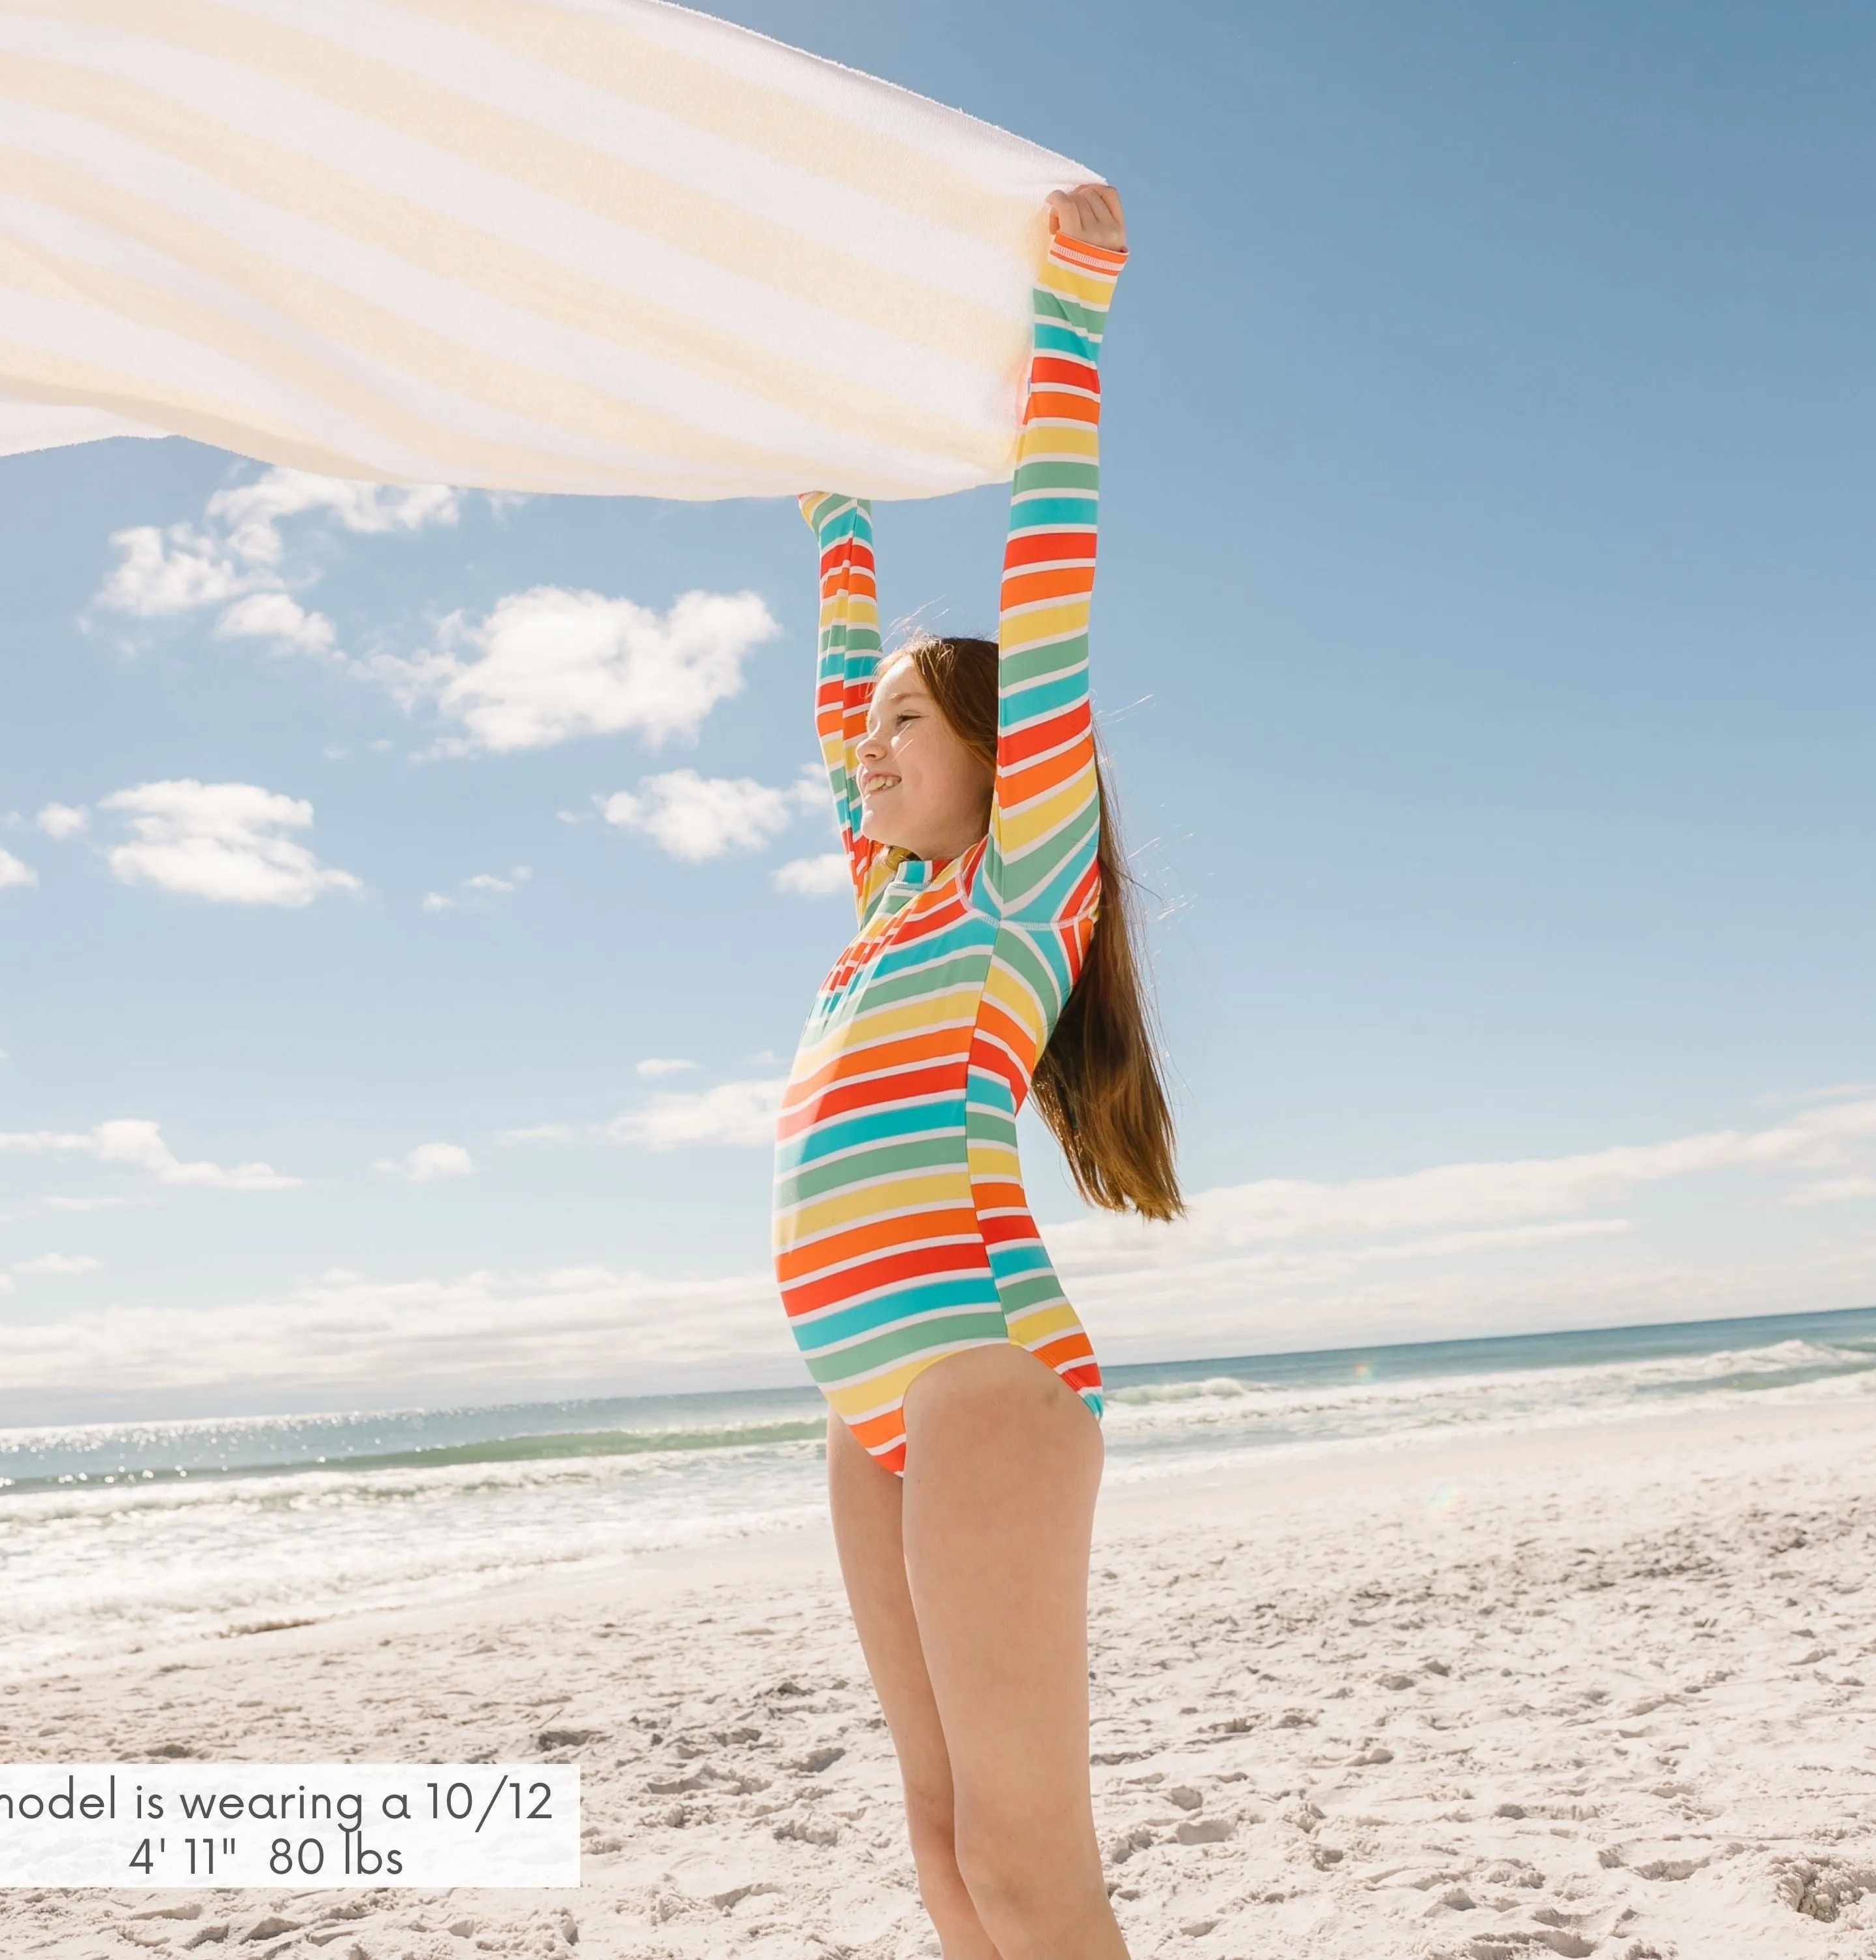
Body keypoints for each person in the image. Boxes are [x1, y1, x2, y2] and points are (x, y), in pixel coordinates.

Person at [773, 184, 1183, 1960]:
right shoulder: (887, 904)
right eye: (869, 732)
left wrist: (1070, 319)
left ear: (996, 759)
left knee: (1027, 1869)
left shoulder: (1024, 883)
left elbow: (1047, 576)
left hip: (980, 1379)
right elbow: (829, 691)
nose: (870, 748)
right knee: (940, 1858)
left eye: (907, 729)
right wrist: (833, 514)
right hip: (867, 1413)